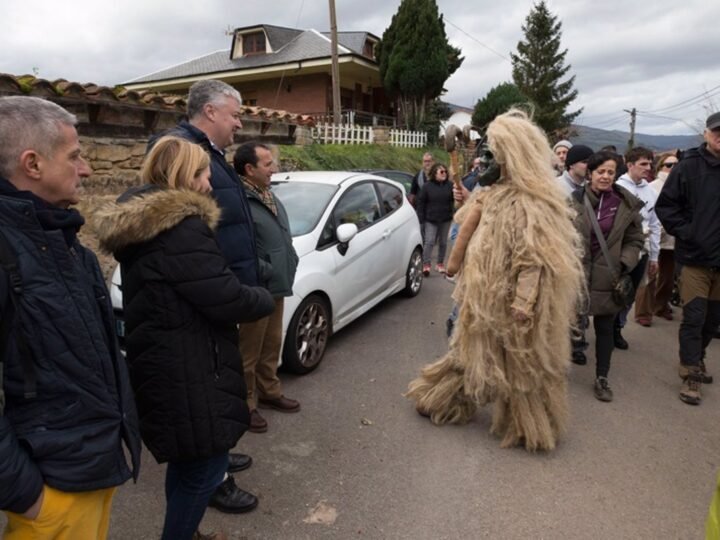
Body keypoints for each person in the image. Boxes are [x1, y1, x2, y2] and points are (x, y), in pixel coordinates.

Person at [91, 137, 274, 540]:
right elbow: (224, 296)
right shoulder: (180, 228)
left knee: (189, 462)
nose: (209, 182)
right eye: (203, 173)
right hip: (189, 365)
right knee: (206, 468)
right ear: (181, 177)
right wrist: (264, 296)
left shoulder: (146, 222)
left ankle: (185, 531)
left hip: (167, 359)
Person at [0, 96, 141, 539]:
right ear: (32, 164)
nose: (87, 170)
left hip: (92, 466)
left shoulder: (63, 241)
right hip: (49, 492)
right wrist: (27, 495)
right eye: (75, 156)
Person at [406, 110, 585, 451]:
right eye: (483, 151)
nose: (483, 159)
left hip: (509, 301)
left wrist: (523, 302)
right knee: (466, 349)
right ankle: (447, 399)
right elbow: (466, 229)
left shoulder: (533, 205)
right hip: (479, 296)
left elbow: (534, 260)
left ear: (511, 158)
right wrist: (454, 264)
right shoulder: (490, 194)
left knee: (518, 364)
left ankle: (529, 424)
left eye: (491, 154)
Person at [158, 79, 260, 513]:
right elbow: (187, 237)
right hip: (209, 295)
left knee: (221, 381)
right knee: (209, 386)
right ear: (211, 112)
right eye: (235, 114)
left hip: (222, 287)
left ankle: (217, 460)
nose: (239, 123)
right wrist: (227, 287)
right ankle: (214, 477)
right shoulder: (184, 152)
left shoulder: (209, 152)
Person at [233, 142, 299, 433]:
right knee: (249, 351)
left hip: (276, 285)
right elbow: (238, 249)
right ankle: (246, 405)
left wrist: (290, 260)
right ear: (249, 169)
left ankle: (269, 391)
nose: (274, 169)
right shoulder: (238, 200)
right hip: (257, 287)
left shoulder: (268, 195)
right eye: (268, 164)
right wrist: (267, 270)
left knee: (272, 342)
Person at [656, 111, 720, 405]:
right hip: (695, 258)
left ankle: (699, 357)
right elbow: (666, 206)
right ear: (707, 134)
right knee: (694, 317)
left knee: (712, 321)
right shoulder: (689, 167)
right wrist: (688, 232)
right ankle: (690, 374)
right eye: (717, 131)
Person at [570, 151, 644, 401]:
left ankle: (602, 377)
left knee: (605, 328)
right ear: (590, 173)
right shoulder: (573, 201)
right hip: (575, 274)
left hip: (609, 275)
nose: (605, 176)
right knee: (565, 324)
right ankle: (554, 373)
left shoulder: (625, 203)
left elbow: (635, 239)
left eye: (611, 172)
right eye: (600, 171)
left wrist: (625, 263)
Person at [615, 147, 661, 335]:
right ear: (630, 165)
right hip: (620, 250)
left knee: (631, 292)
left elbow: (656, 224)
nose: (648, 167)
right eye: (643, 164)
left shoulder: (650, 192)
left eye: (650, 164)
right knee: (616, 291)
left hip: (643, 250)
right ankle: (608, 328)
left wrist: (654, 257)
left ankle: (619, 326)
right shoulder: (617, 188)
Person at [634, 152, 678, 323]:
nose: (673, 168)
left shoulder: (682, 184)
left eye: (676, 165)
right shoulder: (652, 187)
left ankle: (660, 306)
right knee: (648, 276)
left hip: (673, 239)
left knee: (667, 277)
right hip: (654, 237)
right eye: (669, 165)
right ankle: (643, 313)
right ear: (661, 167)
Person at [417, 163, 454, 276]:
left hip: (445, 218)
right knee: (429, 242)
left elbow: (455, 200)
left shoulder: (450, 185)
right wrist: (421, 219)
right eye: (441, 172)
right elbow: (421, 203)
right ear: (434, 173)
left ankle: (440, 264)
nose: (444, 174)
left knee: (443, 242)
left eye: (445, 172)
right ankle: (426, 264)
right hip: (431, 219)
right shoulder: (427, 186)